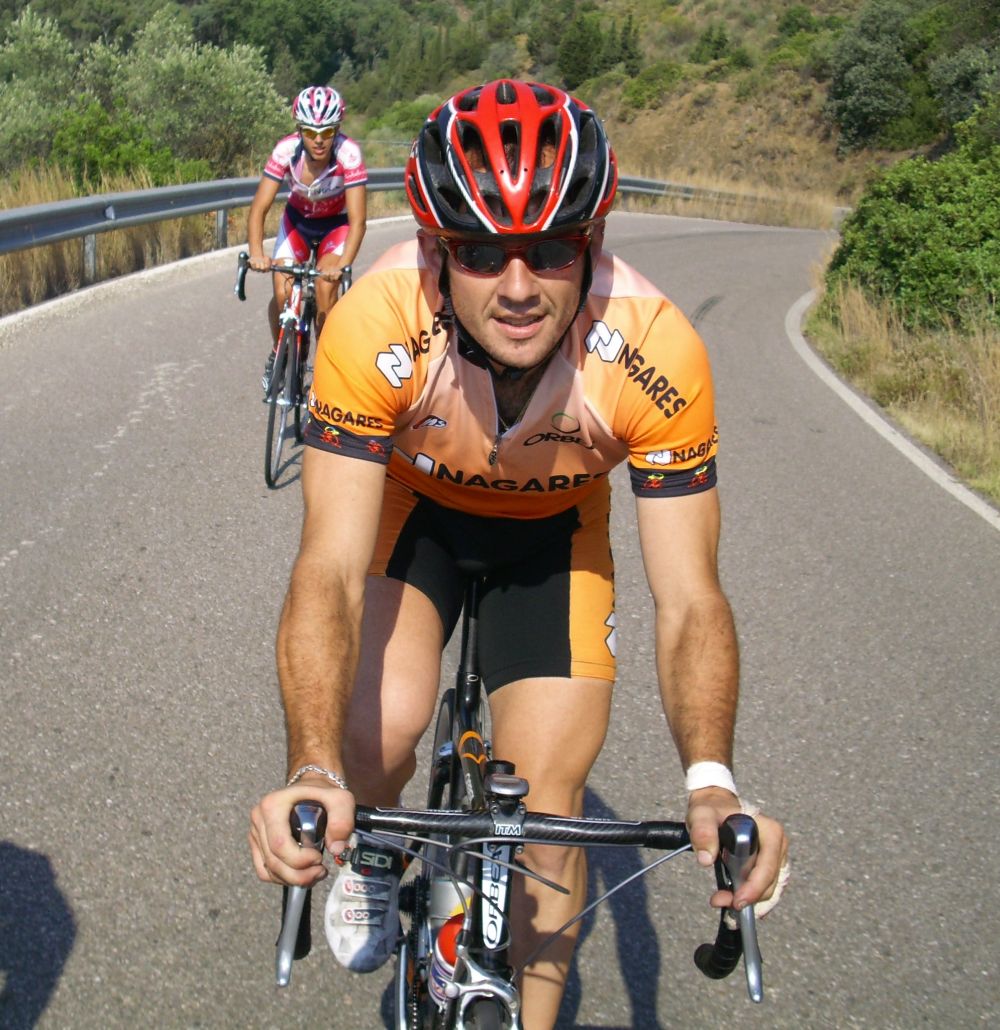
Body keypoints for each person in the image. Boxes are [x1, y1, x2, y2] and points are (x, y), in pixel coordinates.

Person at [249, 79, 789, 1029]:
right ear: (434, 250)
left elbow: (691, 599)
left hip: (554, 535)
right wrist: (315, 769)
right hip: (417, 514)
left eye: (549, 249)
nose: (517, 286)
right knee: (376, 738)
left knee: (544, 821)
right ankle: (376, 849)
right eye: (479, 252)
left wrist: (712, 782)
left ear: (593, 241)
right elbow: (328, 568)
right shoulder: (373, 322)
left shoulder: (656, 349)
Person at [246, 85, 367, 392]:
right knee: (283, 291)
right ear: (299, 130)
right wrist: (256, 252)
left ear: (336, 130)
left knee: (326, 291)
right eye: (311, 132)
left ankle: (326, 368)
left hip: (335, 226)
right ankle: (280, 351)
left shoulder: (349, 154)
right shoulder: (286, 151)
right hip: (298, 223)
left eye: (327, 132)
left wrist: (343, 264)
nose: (319, 140)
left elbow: (358, 221)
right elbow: (259, 209)